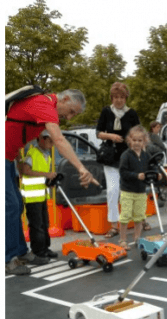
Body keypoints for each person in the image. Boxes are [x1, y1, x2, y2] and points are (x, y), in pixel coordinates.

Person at [6, 89, 99, 275]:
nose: (70, 117)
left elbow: (14, 130)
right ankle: (7, 259)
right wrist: (81, 168)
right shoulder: (44, 105)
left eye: (74, 115)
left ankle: (20, 252)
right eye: (71, 111)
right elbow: (59, 139)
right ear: (64, 99)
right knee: (11, 206)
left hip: (8, 158)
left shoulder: (42, 103)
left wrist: (17, 159)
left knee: (16, 206)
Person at [96, 82, 140, 238]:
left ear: (126, 98)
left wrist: (132, 141)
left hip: (128, 157)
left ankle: (138, 220)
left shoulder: (132, 113)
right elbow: (98, 133)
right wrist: (111, 136)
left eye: (122, 97)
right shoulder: (106, 112)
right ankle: (114, 225)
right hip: (111, 157)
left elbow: (138, 133)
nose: (119, 100)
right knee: (113, 190)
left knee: (131, 190)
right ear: (112, 98)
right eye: (116, 97)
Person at [118, 125, 162, 250]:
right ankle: (122, 239)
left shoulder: (146, 155)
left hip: (141, 191)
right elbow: (123, 172)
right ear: (129, 140)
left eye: (140, 140)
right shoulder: (126, 155)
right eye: (134, 140)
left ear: (144, 141)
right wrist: (136, 175)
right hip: (127, 190)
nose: (137, 143)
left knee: (139, 216)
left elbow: (152, 167)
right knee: (125, 216)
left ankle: (137, 238)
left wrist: (156, 174)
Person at [21, 130, 58, 259]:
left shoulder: (46, 155)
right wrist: (46, 175)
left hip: (41, 195)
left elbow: (42, 175)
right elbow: (25, 170)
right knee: (37, 225)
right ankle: (38, 251)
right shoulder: (33, 153)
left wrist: (49, 181)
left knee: (44, 224)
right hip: (32, 197)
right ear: (41, 139)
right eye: (50, 140)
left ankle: (45, 248)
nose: (52, 144)